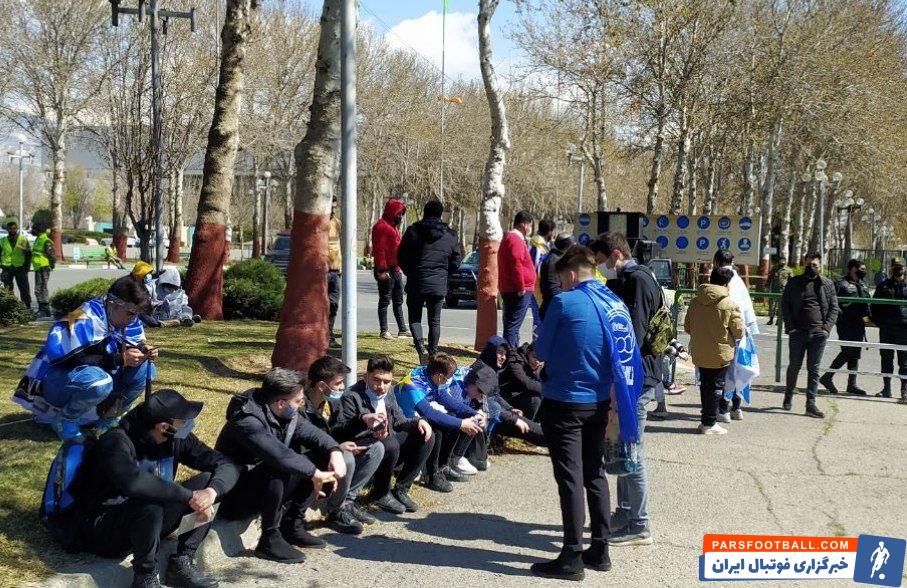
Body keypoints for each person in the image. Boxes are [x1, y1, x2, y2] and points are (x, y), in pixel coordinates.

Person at [530, 245, 643, 580]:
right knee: (594, 472)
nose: (562, 286)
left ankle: (571, 556)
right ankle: (600, 549)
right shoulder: (614, 303)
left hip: (564, 400)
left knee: (570, 477)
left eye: (562, 280)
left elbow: (541, 351)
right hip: (600, 401)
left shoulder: (564, 302)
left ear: (571, 274)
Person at [65, 390, 239, 588]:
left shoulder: (174, 438)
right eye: (182, 421)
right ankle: (145, 577)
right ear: (164, 426)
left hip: (148, 524)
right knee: (150, 504)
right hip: (104, 528)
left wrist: (211, 492)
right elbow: (134, 484)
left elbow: (225, 465)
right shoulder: (115, 442)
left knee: (209, 483)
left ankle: (182, 562)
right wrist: (190, 496)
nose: (187, 425)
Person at [215, 368, 346, 563]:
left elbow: (313, 434)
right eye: (298, 401)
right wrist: (314, 473)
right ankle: (269, 538)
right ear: (281, 403)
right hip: (234, 494)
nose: (302, 404)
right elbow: (278, 455)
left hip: (264, 486)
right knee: (280, 465)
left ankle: (292, 523)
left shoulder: (284, 411)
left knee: (318, 455)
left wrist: (334, 452)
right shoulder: (247, 420)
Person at [14, 276, 157, 441]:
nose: (133, 319)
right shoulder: (84, 316)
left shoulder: (123, 318)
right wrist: (119, 359)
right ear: (112, 304)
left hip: (91, 377)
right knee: (100, 381)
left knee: (146, 370)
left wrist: (143, 350)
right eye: (130, 313)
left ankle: (108, 418)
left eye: (137, 314)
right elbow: (67, 360)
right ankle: (64, 420)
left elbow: (130, 342)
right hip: (56, 381)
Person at [589, 232, 660, 547]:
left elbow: (633, 334)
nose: (600, 267)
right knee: (621, 447)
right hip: (628, 378)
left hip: (637, 378)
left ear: (615, 254)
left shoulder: (638, 281)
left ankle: (640, 524)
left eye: (601, 261)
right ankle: (625, 511)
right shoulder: (628, 279)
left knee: (632, 449)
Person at [340, 355, 434, 513]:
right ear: (366, 377)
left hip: (388, 442)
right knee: (390, 443)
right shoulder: (352, 396)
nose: (381, 386)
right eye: (376, 380)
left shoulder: (388, 393)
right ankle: (380, 493)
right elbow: (344, 429)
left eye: (387, 382)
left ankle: (401, 489)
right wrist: (366, 423)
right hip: (364, 448)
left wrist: (418, 421)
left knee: (425, 435)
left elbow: (399, 420)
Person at [302, 356, 385, 535]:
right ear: (322, 386)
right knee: (346, 458)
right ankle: (335, 511)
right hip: (310, 460)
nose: (342, 387)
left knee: (376, 448)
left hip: (331, 451)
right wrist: (337, 449)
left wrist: (363, 419)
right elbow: (304, 446)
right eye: (338, 383)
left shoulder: (331, 403)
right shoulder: (302, 408)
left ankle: (348, 501)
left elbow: (341, 428)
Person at [395, 353, 483, 492]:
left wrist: (474, 413)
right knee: (437, 429)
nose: (449, 381)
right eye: (448, 378)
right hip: (402, 425)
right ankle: (430, 475)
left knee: (452, 417)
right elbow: (429, 412)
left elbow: (450, 402)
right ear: (441, 377)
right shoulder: (413, 385)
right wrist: (461, 423)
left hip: (418, 419)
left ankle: (442, 466)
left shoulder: (431, 375)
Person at [397, 200, 462, 362]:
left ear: (424, 212)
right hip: (438, 284)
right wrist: (445, 274)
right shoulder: (450, 235)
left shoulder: (412, 231)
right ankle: (433, 352)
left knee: (414, 318)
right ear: (440, 214)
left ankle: (421, 348)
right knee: (434, 320)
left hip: (416, 281)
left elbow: (401, 256)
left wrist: (410, 272)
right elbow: (456, 260)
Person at [684, 267, 745, 435]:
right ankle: (709, 423)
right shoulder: (729, 304)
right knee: (716, 388)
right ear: (726, 283)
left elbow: (687, 327)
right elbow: (739, 332)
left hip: (699, 351)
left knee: (705, 386)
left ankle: (706, 420)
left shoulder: (695, 301)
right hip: (720, 353)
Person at [781, 252, 839, 418]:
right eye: (808, 264)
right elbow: (785, 305)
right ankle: (788, 394)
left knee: (814, 369)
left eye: (814, 265)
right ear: (803, 264)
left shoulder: (827, 284)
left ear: (820, 266)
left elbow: (834, 308)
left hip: (818, 334)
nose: (811, 267)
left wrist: (826, 329)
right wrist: (791, 328)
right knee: (794, 366)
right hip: (798, 333)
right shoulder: (794, 282)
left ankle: (810, 404)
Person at [465, 337, 546, 450]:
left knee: (535, 429)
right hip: (486, 420)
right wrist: (513, 419)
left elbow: (495, 395)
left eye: (505, 354)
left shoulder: (490, 368)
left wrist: (510, 408)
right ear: (491, 352)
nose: (503, 357)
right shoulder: (484, 373)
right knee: (537, 432)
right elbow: (487, 404)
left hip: (497, 415)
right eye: (500, 353)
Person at [713, 249, 759, 421]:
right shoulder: (739, 280)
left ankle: (723, 408)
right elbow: (747, 309)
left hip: (725, 332)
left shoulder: (721, 279)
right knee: (739, 368)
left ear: (716, 262)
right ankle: (736, 406)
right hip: (741, 332)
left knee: (725, 371)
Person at [820, 259, 871, 396]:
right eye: (861, 269)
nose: (863, 271)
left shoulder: (862, 284)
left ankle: (851, 384)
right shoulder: (840, 284)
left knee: (855, 353)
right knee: (848, 351)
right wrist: (839, 316)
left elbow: (867, 304)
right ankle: (827, 376)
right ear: (852, 269)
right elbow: (832, 301)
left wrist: (868, 319)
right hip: (846, 323)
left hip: (859, 324)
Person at [371, 199, 409, 340]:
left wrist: (399, 268)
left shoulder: (393, 227)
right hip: (385, 269)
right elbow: (379, 250)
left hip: (395, 268)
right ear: (392, 212)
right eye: (399, 214)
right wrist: (382, 269)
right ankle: (384, 330)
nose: (401, 217)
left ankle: (402, 329)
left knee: (398, 300)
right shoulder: (381, 227)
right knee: (385, 300)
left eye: (401, 214)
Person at [498, 210, 537, 348]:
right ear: (525, 224)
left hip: (512, 288)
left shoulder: (510, 238)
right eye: (530, 225)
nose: (530, 228)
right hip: (518, 290)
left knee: (511, 325)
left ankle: (510, 351)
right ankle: (511, 354)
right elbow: (516, 263)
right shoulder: (515, 239)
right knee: (513, 326)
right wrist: (521, 287)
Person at [872, 257, 907, 402]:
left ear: (905, 268)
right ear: (891, 268)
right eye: (896, 266)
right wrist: (881, 323)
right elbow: (874, 307)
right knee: (886, 359)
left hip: (904, 330)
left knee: (904, 362)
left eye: (901, 266)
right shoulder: (883, 286)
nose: (898, 269)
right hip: (887, 329)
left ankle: (904, 391)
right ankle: (886, 389)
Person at [499, 341, 543, 421]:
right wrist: (547, 389)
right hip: (504, 397)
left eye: (541, 359)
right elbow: (525, 382)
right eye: (534, 356)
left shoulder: (539, 364)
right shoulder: (515, 359)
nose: (537, 361)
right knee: (535, 399)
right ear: (528, 352)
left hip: (521, 394)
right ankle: (526, 425)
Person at [539, 233, 575, 321]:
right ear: (567, 246)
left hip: (556, 306)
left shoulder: (559, 258)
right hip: (552, 309)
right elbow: (553, 290)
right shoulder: (553, 261)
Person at [528, 219, 555, 334]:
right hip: (538, 287)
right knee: (539, 317)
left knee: (541, 317)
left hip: (541, 286)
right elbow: (535, 268)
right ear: (549, 232)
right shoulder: (537, 246)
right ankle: (537, 343)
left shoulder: (542, 245)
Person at [1, 220, 32, 308]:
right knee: (7, 290)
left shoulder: (23, 239)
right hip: (7, 268)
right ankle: (10, 308)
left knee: (24, 289)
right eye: (10, 228)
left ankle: (27, 308)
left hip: (20, 267)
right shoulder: (3, 240)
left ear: (17, 229)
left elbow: (28, 254)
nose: (12, 230)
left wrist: (27, 267)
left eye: (14, 228)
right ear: (7, 229)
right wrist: (1, 265)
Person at [31, 224, 55, 318]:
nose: (32, 231)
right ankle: (45, 310)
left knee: (41, 289)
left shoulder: (46, 241)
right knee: (39, 289)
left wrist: (51, 266)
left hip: (44, 267)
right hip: (38, 267)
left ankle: (44, 309)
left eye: (34, 229)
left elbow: (52, 256)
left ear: (39, 230)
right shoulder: (38, 239)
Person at [328, 197, 342, 347]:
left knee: (333, 305)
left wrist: (341, 266)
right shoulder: (320, 224)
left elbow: (338, 245)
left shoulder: (337, 223)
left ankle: (329, 336)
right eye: (331, 207)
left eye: (334, 207)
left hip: (335, 271)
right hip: (322, 271)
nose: (332, 210)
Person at [766, 256, 792, 326]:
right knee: (772, 306)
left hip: (783, 291)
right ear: (779, 261)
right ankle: (771, 319)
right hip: (774, 290)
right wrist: (767, 285)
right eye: (781, 261)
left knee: (781, 306)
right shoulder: (774, 268)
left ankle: (779, 320)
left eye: (784, 261)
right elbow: (770, 278)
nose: (782, 262)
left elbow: (791, 280)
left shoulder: (788, 270)